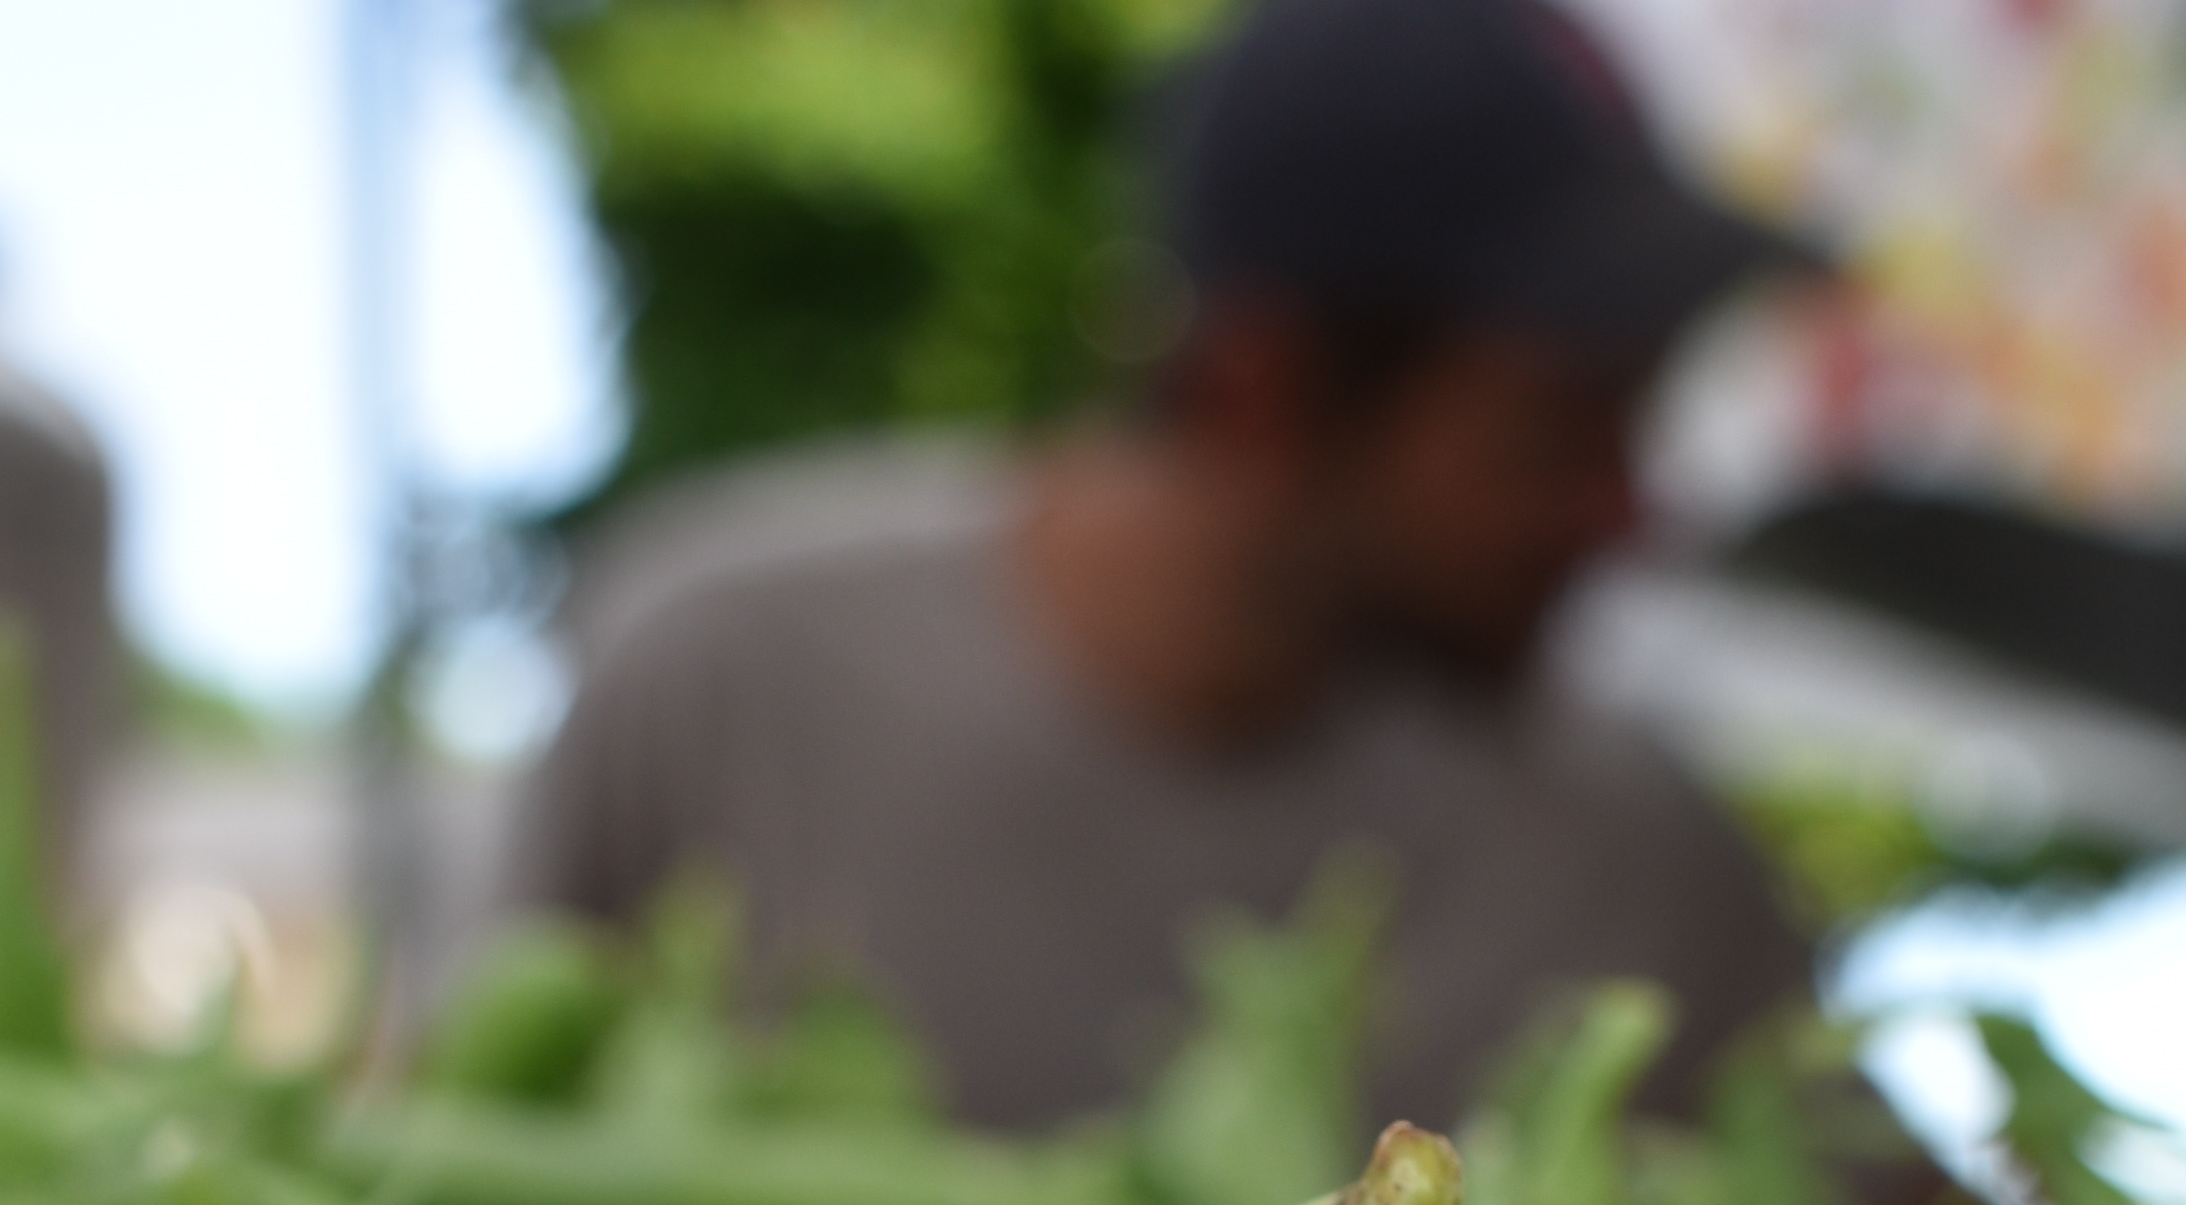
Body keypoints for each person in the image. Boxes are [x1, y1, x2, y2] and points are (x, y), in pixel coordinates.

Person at [492, 0, 1830, 1141]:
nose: (1626, 512)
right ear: (1263, 390)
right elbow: (468, 1178)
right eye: (1557, 433)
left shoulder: (1648, 853)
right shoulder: (733, 682)